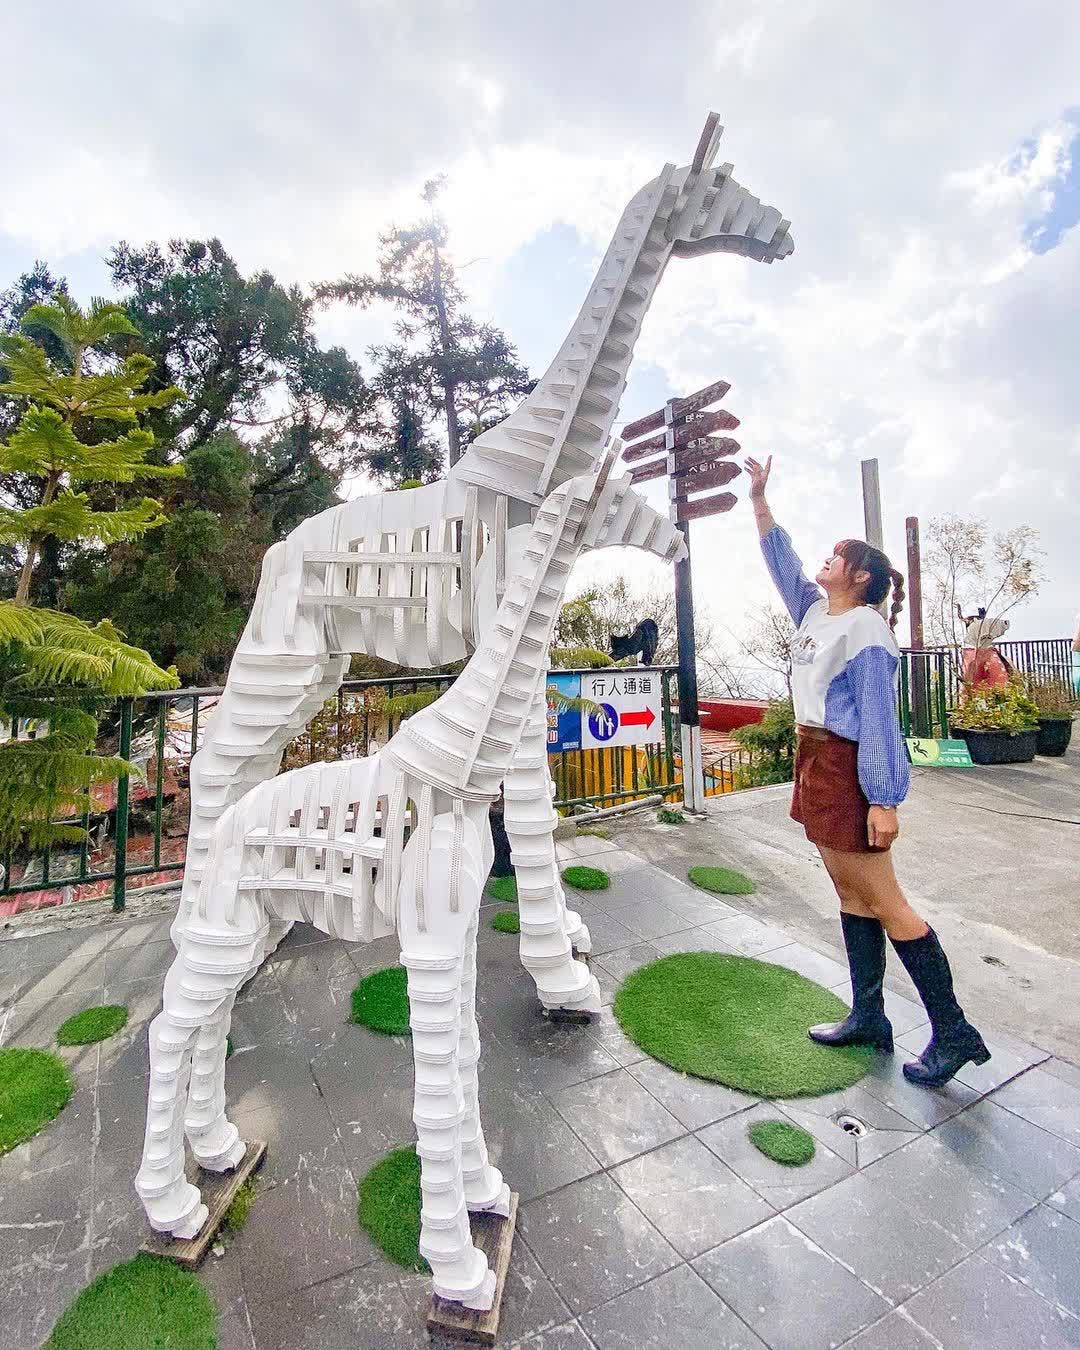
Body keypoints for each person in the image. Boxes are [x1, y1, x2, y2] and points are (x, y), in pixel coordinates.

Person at [746, 454, 989, 1088]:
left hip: (848, 766)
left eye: (837, 555)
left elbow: (881, 723)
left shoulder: (867, 631)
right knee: (852, 896)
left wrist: (885, 800)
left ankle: (954, 1031)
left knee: (886, 902)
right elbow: (784, 566)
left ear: (858, 575)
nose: (824, 562)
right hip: (815, 761)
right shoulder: (816, 613)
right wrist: (761, 503)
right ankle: (870, 1015)